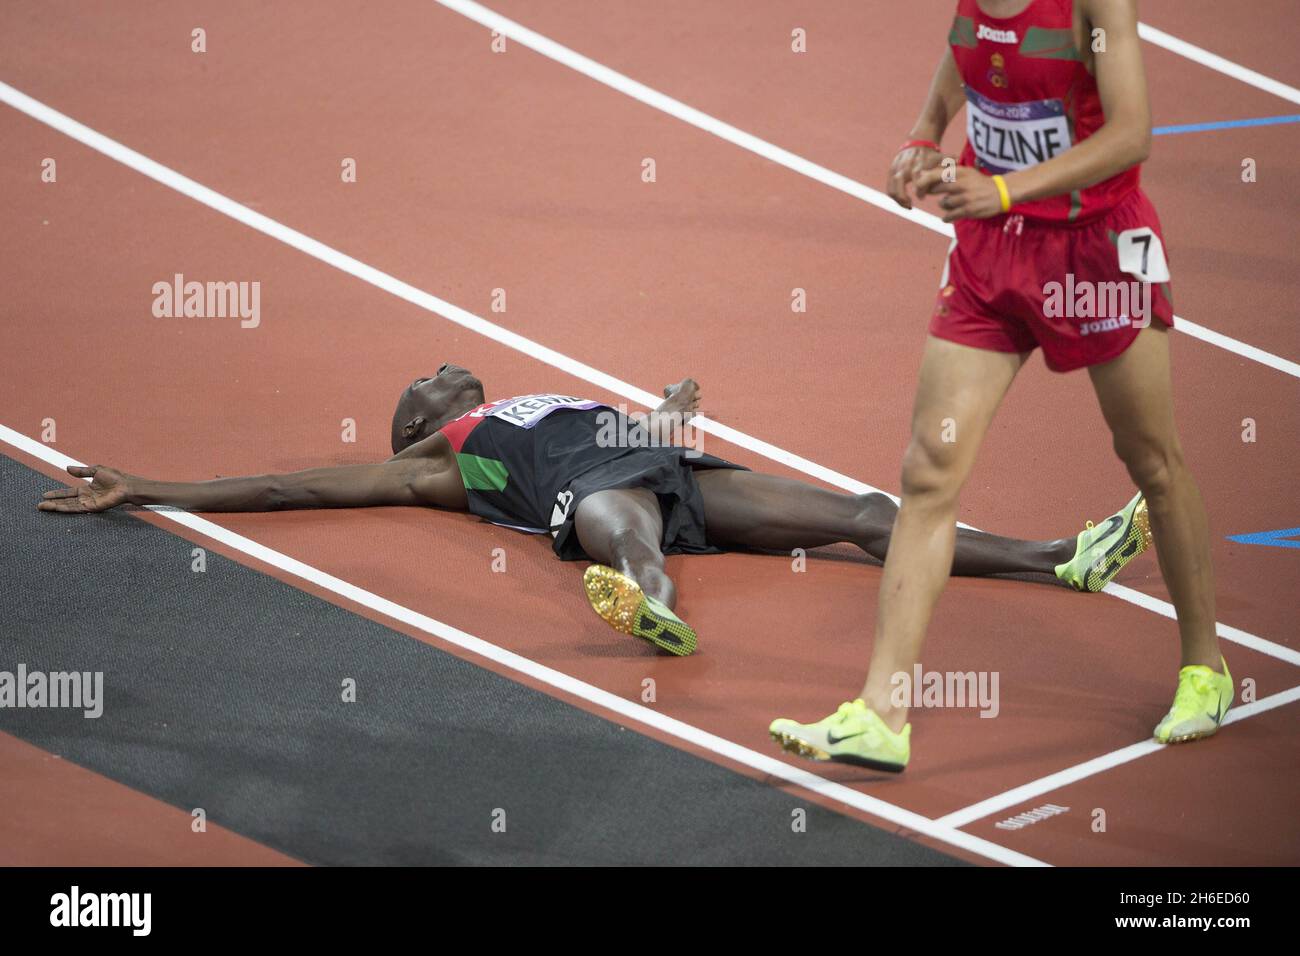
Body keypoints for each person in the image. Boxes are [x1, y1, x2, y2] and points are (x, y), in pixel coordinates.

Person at [769, 0, 1229, 773]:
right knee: (928, 471)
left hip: (1100, 253)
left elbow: (1132, 134)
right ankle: (882, 715)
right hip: (992, 258)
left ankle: (1205, 669)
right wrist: (923, 134)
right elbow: (969, 55)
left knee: (1151, 458)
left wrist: (1010, 190)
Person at [38, 366, 1147, 656]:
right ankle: (652, 601)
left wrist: (668, 409)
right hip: (604, 502)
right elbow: (291, 484)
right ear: (421, 423)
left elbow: (636, 434)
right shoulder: (450, 459)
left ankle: (1061, 557)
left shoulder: (543, 396)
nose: (433, 371)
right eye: (418, 385)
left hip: (672, 472)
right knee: (615, 523)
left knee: (860, 510)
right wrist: (150, 484)